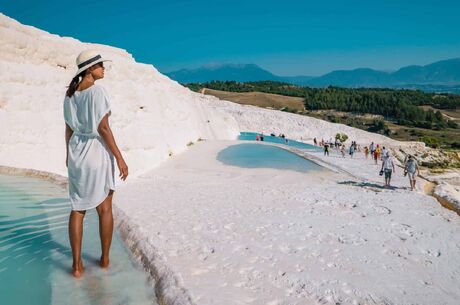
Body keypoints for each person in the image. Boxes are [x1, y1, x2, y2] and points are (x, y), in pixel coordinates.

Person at [64, 50, 129, 278]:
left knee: (78, 208)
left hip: (76, 152)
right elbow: (103, 128)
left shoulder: (70, 95)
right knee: (104, 208)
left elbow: (68, 129)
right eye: (100, 65)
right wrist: (120, 158)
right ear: (90, 69)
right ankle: (104, 260)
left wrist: (68, 156)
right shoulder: (98, 91)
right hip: (96, 151)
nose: (104, 68)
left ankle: (77, 266)